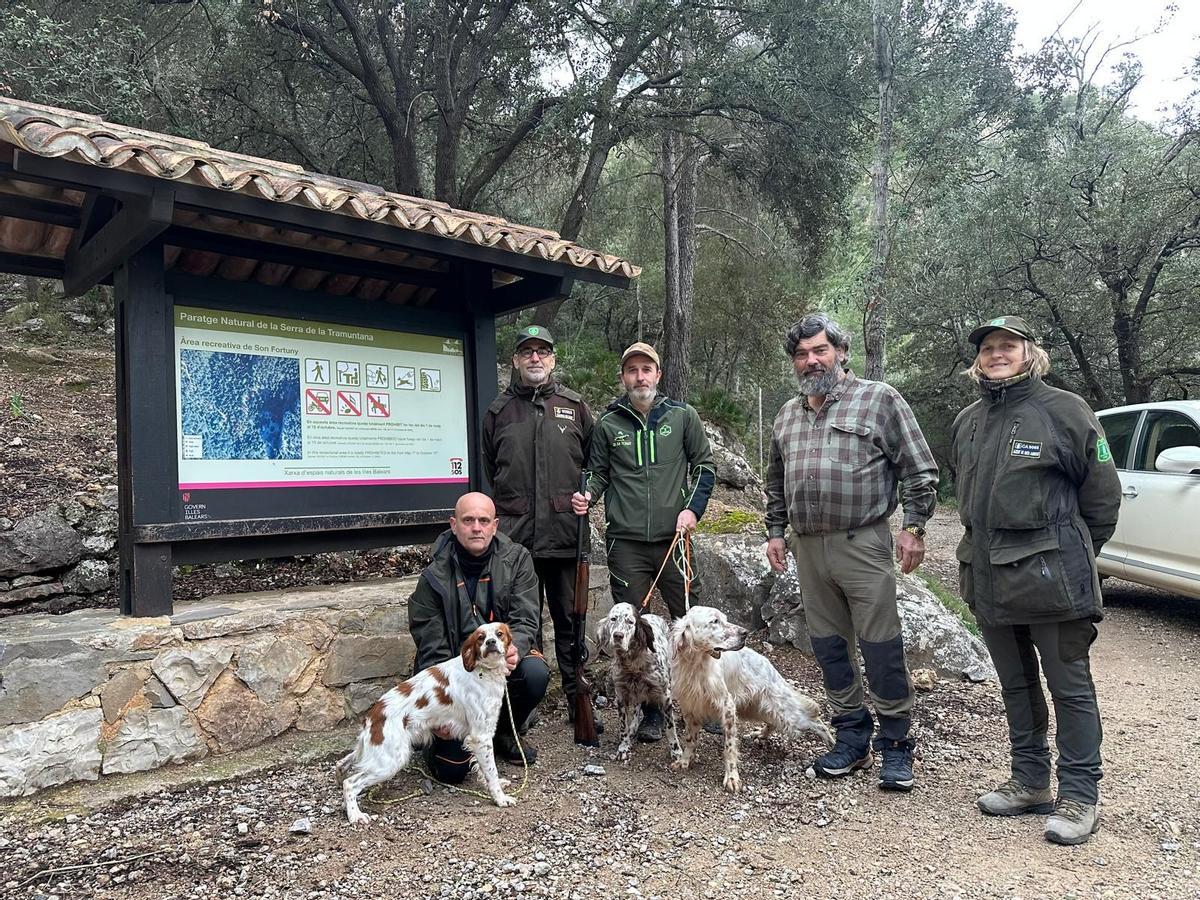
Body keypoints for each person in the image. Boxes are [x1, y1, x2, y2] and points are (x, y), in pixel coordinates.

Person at [950, 315, 1120, 845]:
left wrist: (1071, 553)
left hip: (1053, 577)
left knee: (1069, 685)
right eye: (988, 347)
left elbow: (1102, 498)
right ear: (978, 359)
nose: (997, 353)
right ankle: (1029, 781)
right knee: (1015, 683)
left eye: (1008, 345)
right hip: (988, 576)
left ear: (1030, 353)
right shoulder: (968, 421)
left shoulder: (1065, 412)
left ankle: (1079, 795)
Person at [764, 312, 938, 792]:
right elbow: (774, 482)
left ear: (841, 352)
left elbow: (920, 469)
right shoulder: (786, 414)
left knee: (881, 645)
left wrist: (915, 527)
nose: (810, 361)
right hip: (808, 547)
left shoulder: (879, 400)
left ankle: (897, 744)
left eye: (819, 350)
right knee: (828, 646)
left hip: (863, 542)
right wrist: (776, 530)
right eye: (801, 354)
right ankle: (851, 736)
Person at [571, 341, 715, 740]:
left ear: (658, 374)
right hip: (627, 543)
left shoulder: (683, 416)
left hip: (674, 539)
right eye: (632, 370)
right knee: (634, 629)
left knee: (691, 619)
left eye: (646, 369)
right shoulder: (608, 423)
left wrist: (692, 510)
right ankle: (652, 707)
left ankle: (703, 699)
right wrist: (588, 496)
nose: (640, 377)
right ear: (623, 377)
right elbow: (598, 473)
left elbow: (705, 467)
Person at [482, 324, 595, 722]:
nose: (535, 357)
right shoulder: (499, 412)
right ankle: (521, 705)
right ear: (515, 360)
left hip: (565, 538)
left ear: (553, 358)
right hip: (515, 546)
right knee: (517, 624)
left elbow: (594, 468)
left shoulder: (575, 406)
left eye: (542, 351)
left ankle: (576, 699)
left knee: (570, 624)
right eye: (527, 351)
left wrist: (589, 495)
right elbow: (489, 471)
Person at [408, 492, 548, 779]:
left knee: (535, 672)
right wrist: (440, 710)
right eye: (468, 520)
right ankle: (453, 742)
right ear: (454, 524)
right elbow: (430, 646)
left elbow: (526, 619)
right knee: (452, 771)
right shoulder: (433, 577)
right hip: (456, 683)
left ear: (495, 525)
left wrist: (516, 648)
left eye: (484, 521)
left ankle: (504, 733)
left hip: (499, 669)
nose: (476, 527)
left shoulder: (518, 560)